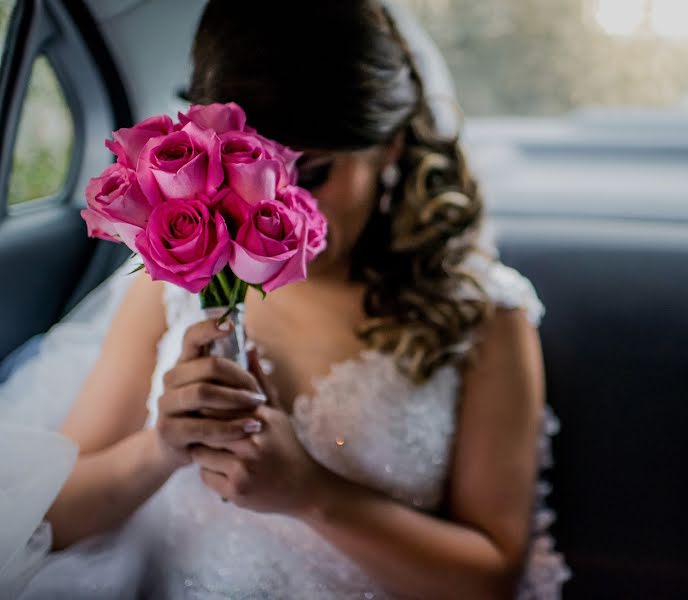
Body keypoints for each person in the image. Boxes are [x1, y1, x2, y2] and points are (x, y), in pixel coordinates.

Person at [13, 1, 569, 597]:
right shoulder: (176, 283)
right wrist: (161, 449)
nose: (277, 202)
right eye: (246, 166)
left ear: (390, 147)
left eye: (312, 173)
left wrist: (314, 495)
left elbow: (493, 577)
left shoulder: (483, 317)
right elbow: (52, 518)